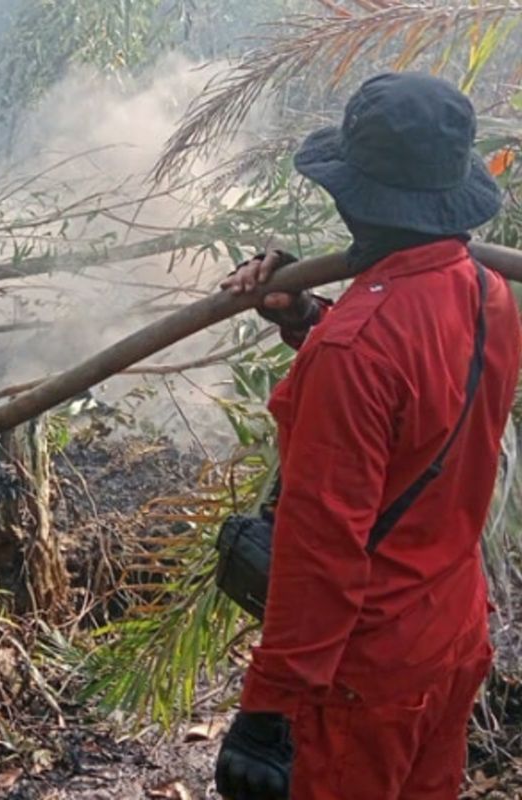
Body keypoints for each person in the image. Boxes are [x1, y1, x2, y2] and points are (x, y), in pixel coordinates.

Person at [214, 72, 522, 799]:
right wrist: (306, 316)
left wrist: (267, 709)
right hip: (449, 637)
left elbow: (320, 552)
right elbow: (415, 408)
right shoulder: (490, 295)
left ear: (354, 195)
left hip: (362, 678)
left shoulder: (354, 351)